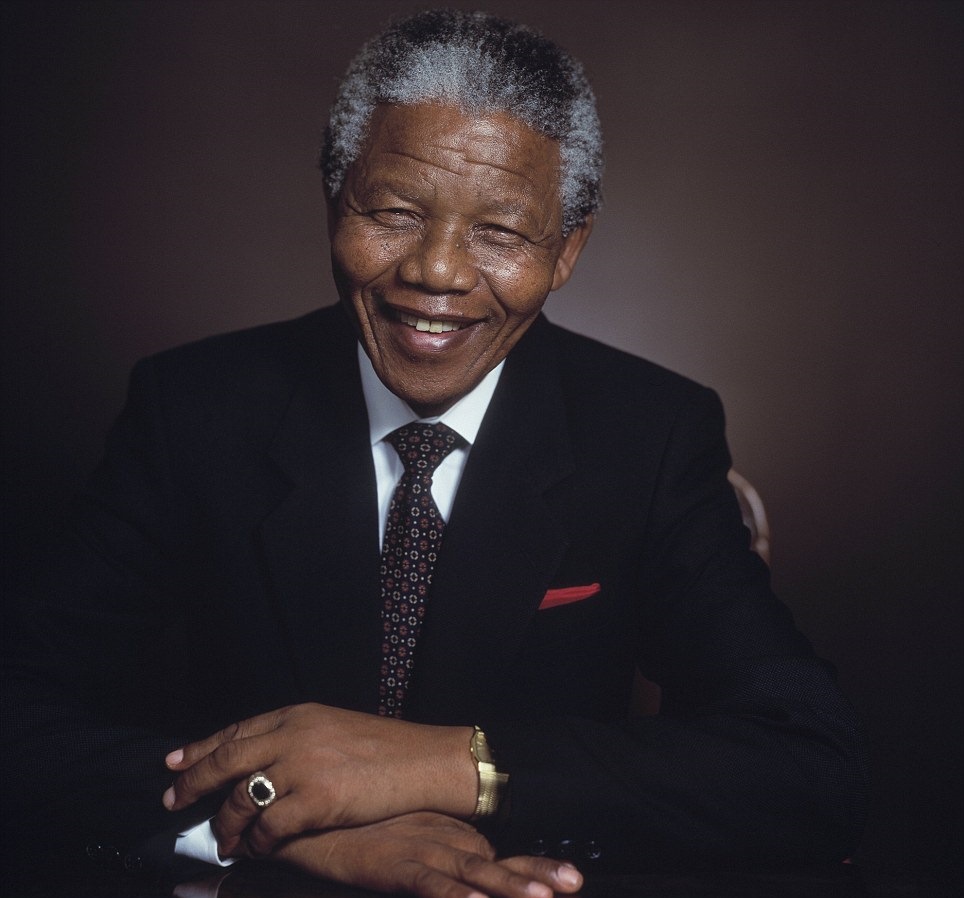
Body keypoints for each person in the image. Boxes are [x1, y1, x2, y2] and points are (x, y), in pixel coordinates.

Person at [1, 9, 867, 898]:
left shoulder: (650, 435)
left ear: (567, 249)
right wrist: (270, 832)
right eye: (394, 212)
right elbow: (17, 713)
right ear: (333, 201)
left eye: (501, 232)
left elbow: (810, 766)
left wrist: (450, 766)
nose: (438, 272)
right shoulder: (193, 411)